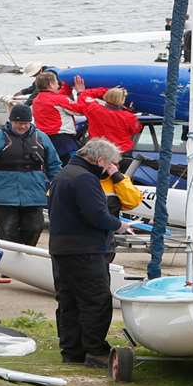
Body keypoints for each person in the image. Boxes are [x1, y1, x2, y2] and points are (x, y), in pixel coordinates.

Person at [47, 136, 128, 366]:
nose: (107, 170)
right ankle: (95, 350)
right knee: (96, 300)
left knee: (68, 300)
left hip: (61, 248)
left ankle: (71, 351)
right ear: (99, 160)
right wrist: (119, 224)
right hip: (85, 249)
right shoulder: (86, 179)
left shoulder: (63, 175)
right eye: (108, 164)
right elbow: (96, 215)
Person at [0, 104, 62, 247]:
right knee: (7, 232)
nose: (22, 127)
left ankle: (25, 258)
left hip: (34, 194)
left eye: (25, 123)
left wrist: (57, 188)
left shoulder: (42, 138)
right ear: (10, 121)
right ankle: (9, 265)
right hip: (4, 195)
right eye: (18, 123)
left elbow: (54, 165)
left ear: (30, 122)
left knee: (34, 228)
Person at [30, 71, 98, 162]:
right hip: (63, 141)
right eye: (56, 82)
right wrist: (81, 93)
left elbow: (59, 98)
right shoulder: (58, 100)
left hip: (45, 139)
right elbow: (81, 110)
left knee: (54, 166)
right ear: (51, 84)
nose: (58, 84)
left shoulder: (37, 99)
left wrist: (67, 86)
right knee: (75, 164)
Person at [78, 86, 142, 155]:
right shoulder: (129, 117)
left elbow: (84, 95)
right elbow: (137, 129)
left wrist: (106, 90)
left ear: (106, 95)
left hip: (98, 152)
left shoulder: (94, 109)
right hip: (121, 153)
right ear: (122, 101)